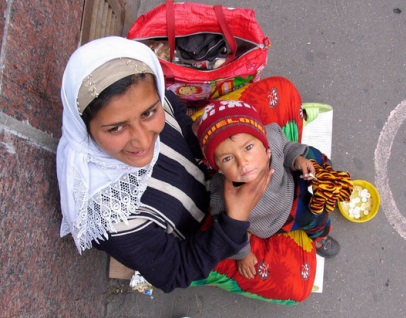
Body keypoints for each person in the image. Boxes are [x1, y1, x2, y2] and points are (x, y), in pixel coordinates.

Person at [57, 36, 318, 305]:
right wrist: (234, 222)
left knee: (282, 91)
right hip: (204, 234)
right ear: (84, 128)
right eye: (116, 128)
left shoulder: (149, 93)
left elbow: (178, 114)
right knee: (298, 282)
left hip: (212, 163)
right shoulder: (108, 215)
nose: (144, 141)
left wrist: (211, 145)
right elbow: (175, 271)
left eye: (149, 113)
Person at [196, 100, 345, 279]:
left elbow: (286, 146)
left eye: (248, 148)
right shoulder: (223, 196)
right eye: (227, 159)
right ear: (218, 168)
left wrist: (296, 159)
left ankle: (325, 172)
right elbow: (230, 229)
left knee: (311, 156)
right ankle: (319, 237)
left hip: (290, 182)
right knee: (315, 216)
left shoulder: (272, 138)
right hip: (279, 218)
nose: (243, 163)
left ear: (263, 141)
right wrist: (243, 254)